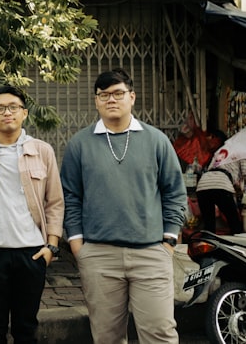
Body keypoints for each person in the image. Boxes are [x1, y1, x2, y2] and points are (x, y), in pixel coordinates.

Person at [60, 68, 187, 344]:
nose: (111, 100)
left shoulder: (156, 141)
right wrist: (77, 243)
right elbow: (70, 196)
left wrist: (169, 239)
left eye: (118, 93)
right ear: (96, 101)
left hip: (151, 253)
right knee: (107, 336)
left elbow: (174, 191)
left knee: (160, 333)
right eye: (104, 95)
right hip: (99, 255)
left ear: (132, 97)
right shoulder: (79, 144)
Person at [0, 85, 64, 344]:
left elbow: (55, 202)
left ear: (24, 113)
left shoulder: (42, 151)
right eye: (0, 108)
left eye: (14, 107)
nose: (8, 112)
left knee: (26, 327)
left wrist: (51, 246)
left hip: (32, 252)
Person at [195, 127, 246, 233]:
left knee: (209, 227)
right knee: (235, 225)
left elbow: (216, 169)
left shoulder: (224, 149)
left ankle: (208, 247)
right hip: (220, 185)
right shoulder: (245, 150)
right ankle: (236, 249)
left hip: (202, 186)